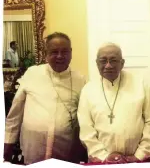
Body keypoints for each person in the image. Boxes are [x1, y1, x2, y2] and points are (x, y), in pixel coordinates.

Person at [4, 32, 88, 165]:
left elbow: (85, 119)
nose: (60, 56)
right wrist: (7, 144)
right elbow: (15, 114)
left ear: (71, 52)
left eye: (64, 51)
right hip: (33, 152)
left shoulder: (80, 80)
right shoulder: (32, 73)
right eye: (54, 52)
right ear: (46, 53)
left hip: (66, 154)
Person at [77, 42, 150, 164]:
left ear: (122, 63)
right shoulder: (88, 90)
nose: (108, 65)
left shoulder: (140, 85)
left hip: (138, 159)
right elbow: (86, 128)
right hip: (101, 160)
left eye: (113, 60)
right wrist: (103, 156)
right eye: (103, 61)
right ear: (97, 63)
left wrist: (140, 154)